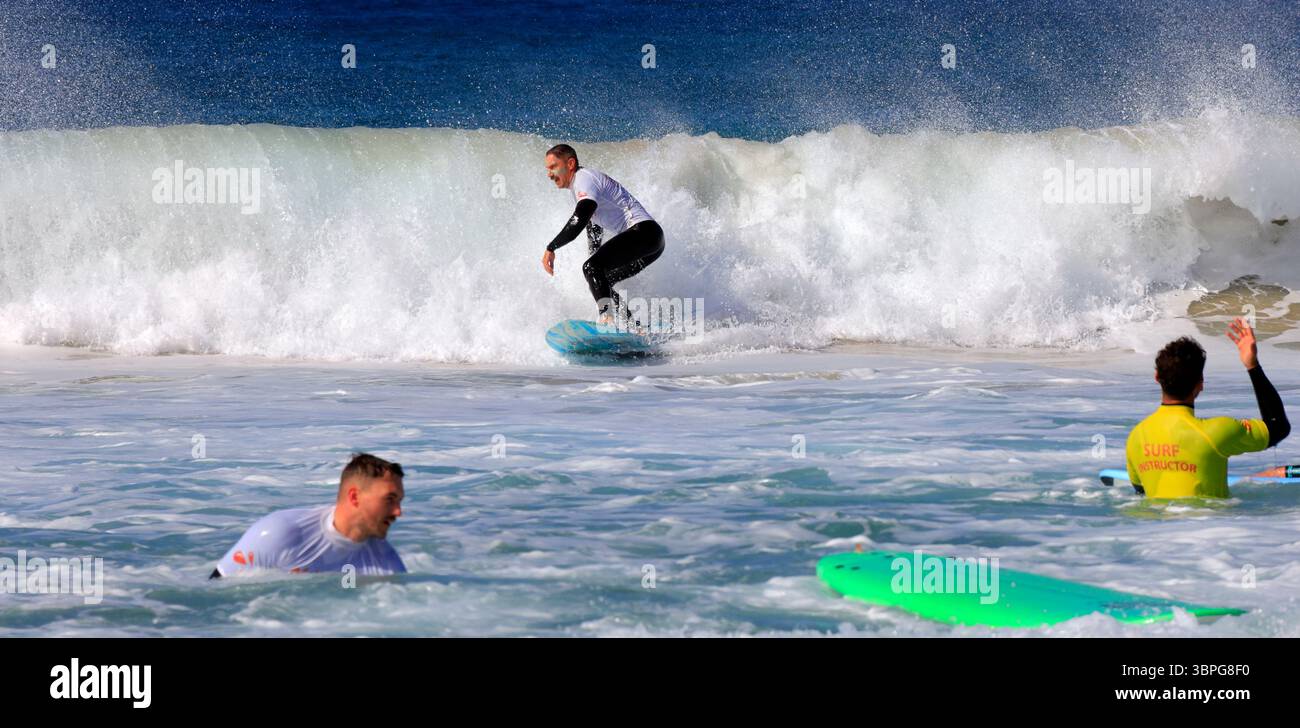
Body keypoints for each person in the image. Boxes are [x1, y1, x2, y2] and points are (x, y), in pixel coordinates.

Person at [1125, 318, 1290, 498]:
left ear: (1157, 377)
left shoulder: (1136, 438)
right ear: (1201, 383)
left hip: (1158, 526)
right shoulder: (1217, 432)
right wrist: (1252, 365)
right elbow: (1278, 426)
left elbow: (1141, 493)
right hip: (1210, 525)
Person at [210, 453, 406, 578]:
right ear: (354, 497)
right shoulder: (280, 534)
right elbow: (214, 597)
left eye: (399, 501)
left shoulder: (387, 566)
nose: (398, 511)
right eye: (389, 499)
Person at [540, 144, 664, 324]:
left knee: (592, 268)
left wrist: (551, 247)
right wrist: (594, 260)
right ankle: (632, 327)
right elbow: (593, 226)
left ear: (570, 164)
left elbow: (580, 218)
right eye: (547, 169)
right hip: (652, 242)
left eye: (553, 167)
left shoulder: (583, 179)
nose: (549, 174)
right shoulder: (579, 190)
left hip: (644, 233)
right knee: (599, 276)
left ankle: (607, 319)